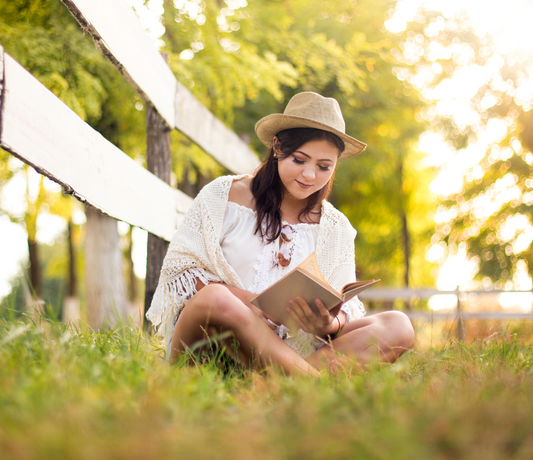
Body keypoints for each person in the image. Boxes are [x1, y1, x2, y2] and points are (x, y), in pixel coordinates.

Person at [146, 92, 415, 377]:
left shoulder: (336, 227)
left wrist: (328, 325)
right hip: (215, 347)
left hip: (294, 352)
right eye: (300, 160)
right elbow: (181, 273)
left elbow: (346, 307)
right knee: (216, 299)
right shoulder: (224, 195)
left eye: (324, 166)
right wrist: (247, 302)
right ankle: (313, 386)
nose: (310, 175)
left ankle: (283, 383)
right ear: (277, 147)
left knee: (398, 325)